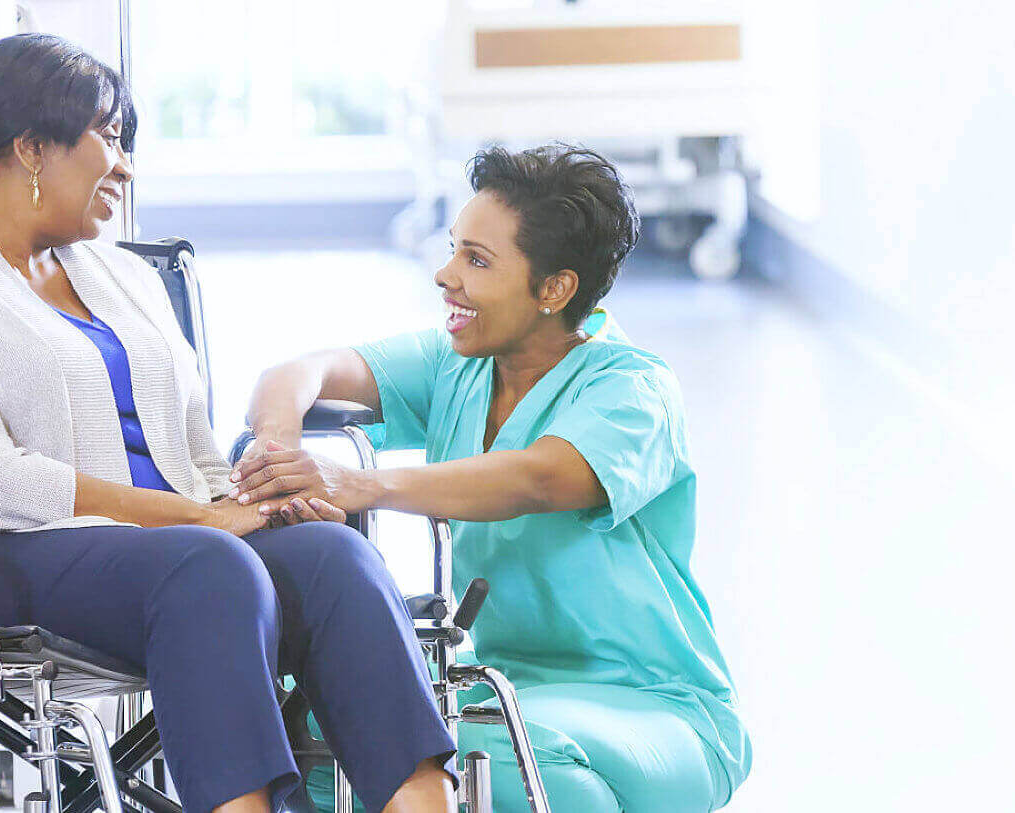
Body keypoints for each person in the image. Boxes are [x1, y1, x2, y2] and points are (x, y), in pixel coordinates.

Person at [0, 34, 454, 813]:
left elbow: (196, 448)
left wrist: (261, 504)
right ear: (29, 147)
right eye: (109, 136)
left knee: (336, 555)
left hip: (176, 549)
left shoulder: (125, 274)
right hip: (3, 556)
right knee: (208, 565)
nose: (124, 165)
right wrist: (201, 517)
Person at [236, 144, 751, 812]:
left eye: (477, 259)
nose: (445, 274)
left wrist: (363, 484)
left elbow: (540, 477)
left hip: (653, 701)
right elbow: (297, 372)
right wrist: (275, 457)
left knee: (494, 762)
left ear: (554, 288)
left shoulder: (632, 387)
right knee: (315, 742)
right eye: (454, 248)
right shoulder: (460, 363)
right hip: (508, 684)